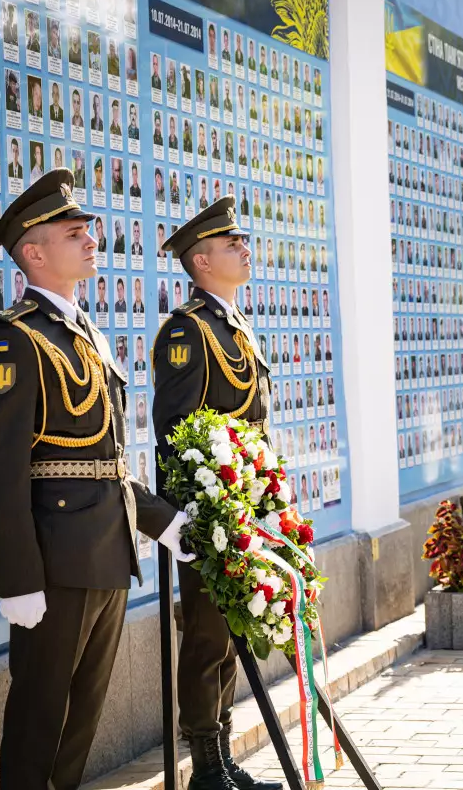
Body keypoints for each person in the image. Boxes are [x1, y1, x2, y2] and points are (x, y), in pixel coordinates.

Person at [0, 169, 194, 790]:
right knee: (39, 722)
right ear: (35, 252)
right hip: (52, 562)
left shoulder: (87, 334)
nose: (90, 237)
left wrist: (166, 523)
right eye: (73, 232)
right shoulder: (13, 341)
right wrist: (18, 579)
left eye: (88, 228)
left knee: (79, 727)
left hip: (105, 551)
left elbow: (104, 461)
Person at [152, 196, 278, 790]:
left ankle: (223, 756)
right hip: (209, 513)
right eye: (232, 245)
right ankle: (204, 763)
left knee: (231, 634)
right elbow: (176, 434)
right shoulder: (188, 330)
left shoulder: (233, 326)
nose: (245, 249)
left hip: (242, 508)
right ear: (201, 262)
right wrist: (198, 519)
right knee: (207, 633)